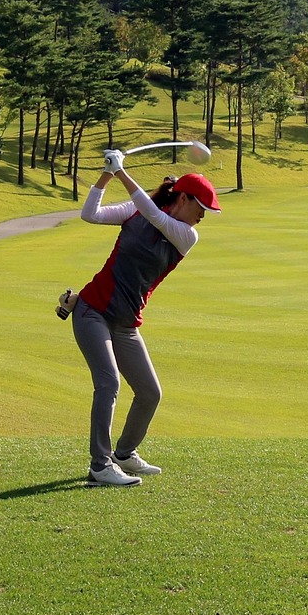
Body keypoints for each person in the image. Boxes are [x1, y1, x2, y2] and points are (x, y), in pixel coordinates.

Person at [67, 149, 219, 487]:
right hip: (92, 310)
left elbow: (156, 217)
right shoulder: (136, 211)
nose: (203, 217)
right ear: (184, 197)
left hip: (125, 323)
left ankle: (124, 453)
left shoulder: (185, 235)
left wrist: (122, 172)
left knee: (150, 393)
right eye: (202, 208)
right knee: (108, 384)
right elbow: (90, 214)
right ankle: (100, 465)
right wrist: (108, 173)